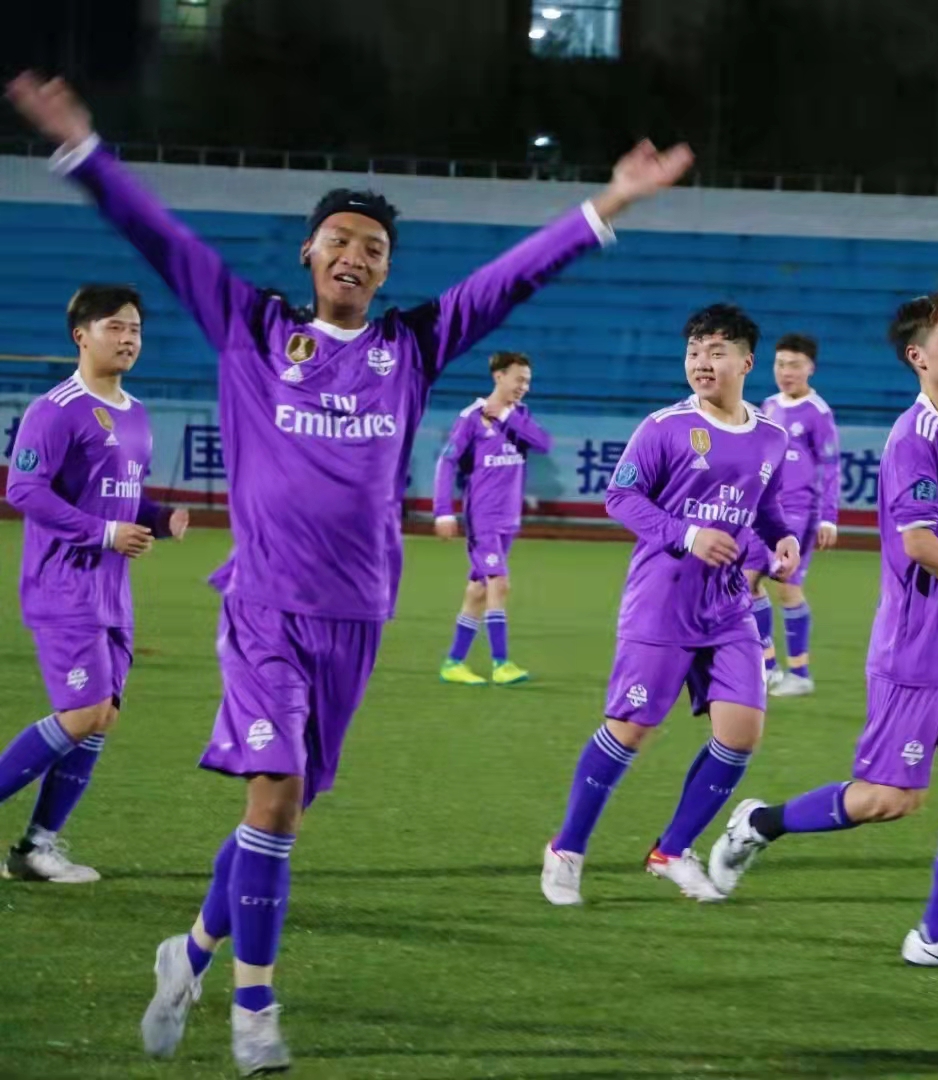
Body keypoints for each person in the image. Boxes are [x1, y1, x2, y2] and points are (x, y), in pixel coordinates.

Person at [6, 68, 691, 1074]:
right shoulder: (253, 328)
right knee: (274, 797)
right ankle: (255, 1008)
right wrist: (81, 149)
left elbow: (509, 280)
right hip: (264, 607)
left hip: (358, 615)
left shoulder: (410, 347)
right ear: (309, 251)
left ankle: (188, 952)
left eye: (374, 249)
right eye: (340, 239)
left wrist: (610, 204)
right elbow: (160, 237)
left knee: (278, 814)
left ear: (384, 272)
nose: (355, 256)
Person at [708, 283, 938, 970]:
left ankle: (935, 937)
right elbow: (918, 543)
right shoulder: (916, 437)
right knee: (890, 800)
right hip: (915, 647)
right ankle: (759, 823)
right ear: (918, 356)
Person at [541, 304, 801, 906]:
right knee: (631, 729)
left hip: (728, 606)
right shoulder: (664, 427)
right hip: (661, 603)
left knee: (741, 733)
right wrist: (686, 533)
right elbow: (620, 496)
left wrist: (784, 538)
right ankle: (567, 849)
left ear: (746, 361)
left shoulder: (771, 435)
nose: (701, 362)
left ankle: (672, 850)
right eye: (693, 352)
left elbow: (765, 507)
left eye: (715, 351)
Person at [0, 284, 187, 884]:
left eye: (135, 328)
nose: (128, 338)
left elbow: (121, 497)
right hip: (63, 586)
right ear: (81, 336)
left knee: (100, 715)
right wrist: (106, 533)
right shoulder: (55, 409)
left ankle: (36, 848)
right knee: (83, 714)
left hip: (112, 593)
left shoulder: (136, 413)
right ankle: (34, 846)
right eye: (115, 327)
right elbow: (23, 490)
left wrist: (159, 518)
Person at [433, 351, 553, 686]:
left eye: (527, 382)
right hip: (483, 519)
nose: (524, 387)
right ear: (499, 376)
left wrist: (506, 417)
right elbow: (447, 462)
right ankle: (501, 664)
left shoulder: (520, 415)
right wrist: (443, 511)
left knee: (478, 590)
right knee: (499, 583)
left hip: (509, 519)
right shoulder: (471, 417)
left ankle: (453, 662)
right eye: (519, 380)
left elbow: (544, 443)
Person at [745, 333, 840, 698]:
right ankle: (768, 667)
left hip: (800, 512)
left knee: (786, 585)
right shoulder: (768, 405)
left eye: (795, 365)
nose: (786, 372)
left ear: (810, 368)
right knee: (747, 582)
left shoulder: (818, 412)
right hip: (765, 510)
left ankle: (799, 674)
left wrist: (828, 517)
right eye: (781, 364)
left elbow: (830, 467)